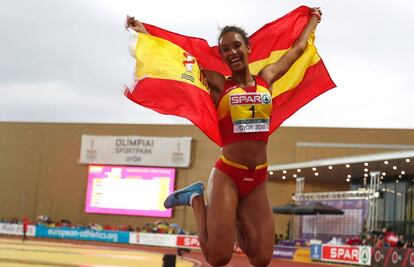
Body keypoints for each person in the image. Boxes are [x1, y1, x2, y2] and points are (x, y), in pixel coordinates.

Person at [126, 7, 322, 267]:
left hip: (258, 177)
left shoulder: (268, 77)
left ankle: (236, 212)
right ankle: (196, 198)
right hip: (229, 174)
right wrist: (146, 31)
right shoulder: (221, 84)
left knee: (261, 258)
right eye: (225, 50)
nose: (232, 53)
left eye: (236, 46)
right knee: (218, 257)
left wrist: (313, 21)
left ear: (248, 48)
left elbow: (297, 50)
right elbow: (181, 55)